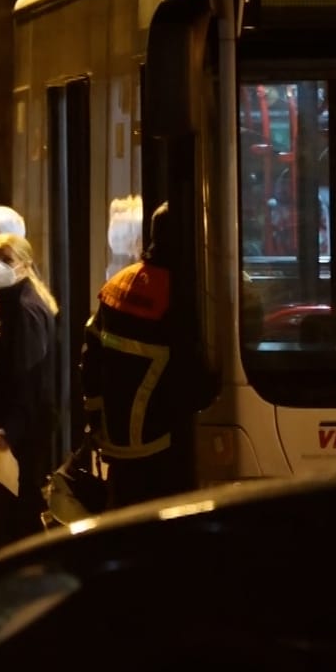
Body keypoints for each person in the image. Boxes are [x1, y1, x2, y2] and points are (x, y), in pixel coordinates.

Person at [81, 202, 205, 508]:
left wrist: (95, 418)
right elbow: (191, 374)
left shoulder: (117, 285)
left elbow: (90, 359)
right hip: (161, 440)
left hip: (117, 437)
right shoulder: (183, 293)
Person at [0, 233, 58, 548]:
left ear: (25, 264)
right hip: (1, 428)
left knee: (15, 519)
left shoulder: (26, 310)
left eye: (6, 260)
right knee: (2, 515)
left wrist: (10, 428)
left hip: (18, 435)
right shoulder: (2, 302)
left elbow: (29, 378)